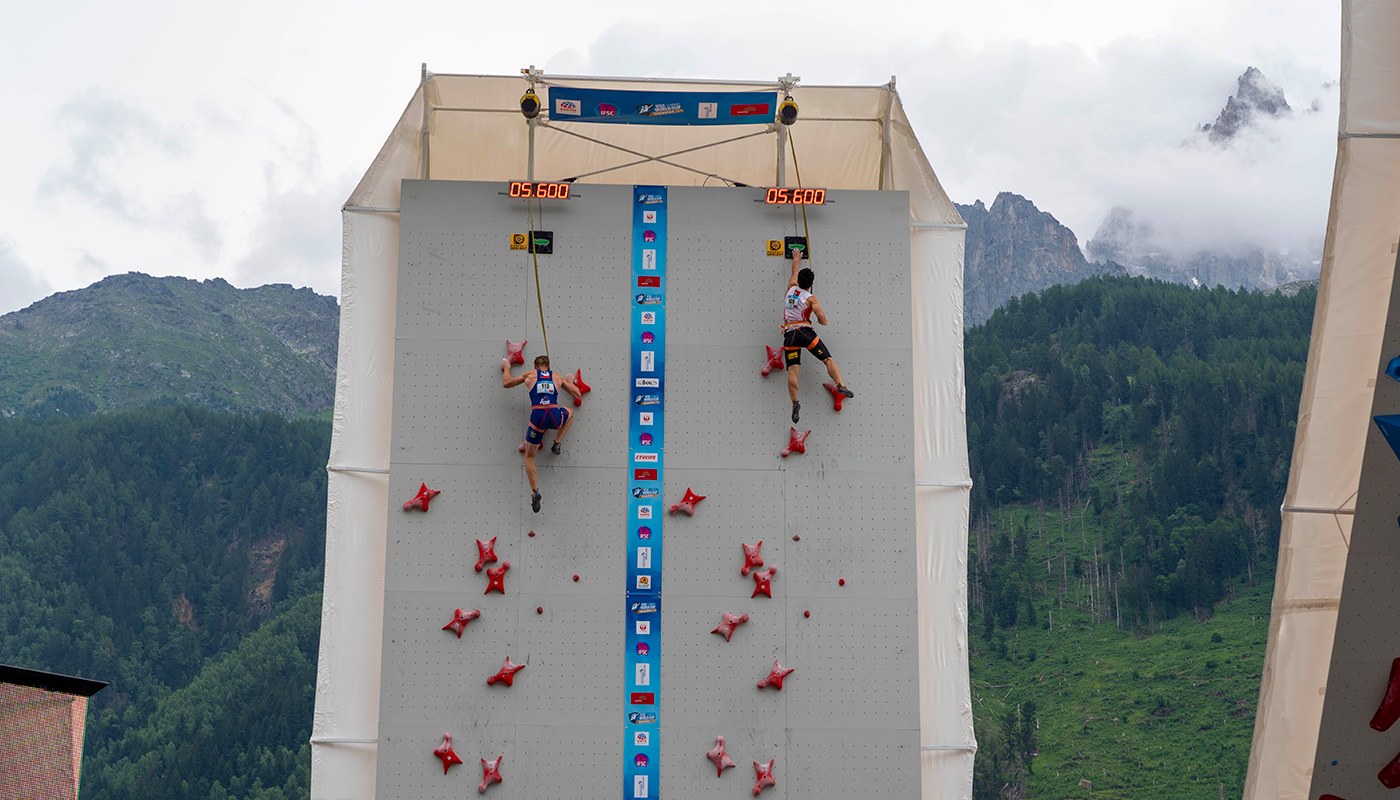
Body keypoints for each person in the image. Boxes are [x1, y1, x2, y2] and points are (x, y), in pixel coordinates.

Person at [502, 354, 581, 512]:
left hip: (537, 417)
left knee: (530, 457)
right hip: (554, 416)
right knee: (570, 412)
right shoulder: (556, 377)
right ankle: (557, 443)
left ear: (535, 367)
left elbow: (507, 383)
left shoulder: (529, 375)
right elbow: (577, 394)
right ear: (548, 367)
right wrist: (571, 380)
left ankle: (534, 492)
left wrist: (507, 368)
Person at [782, 249, 853, 423]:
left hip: (790, 334)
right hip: (805, 333)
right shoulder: (811, 298)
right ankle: (840, 385)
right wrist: (824, 321)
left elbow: (794, 271)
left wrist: (796, 257)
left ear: (798, 280)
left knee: (793, 371)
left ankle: (794, 403)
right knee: (827, 359)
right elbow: (820, 316)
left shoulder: (791, 286)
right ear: (811, 283)